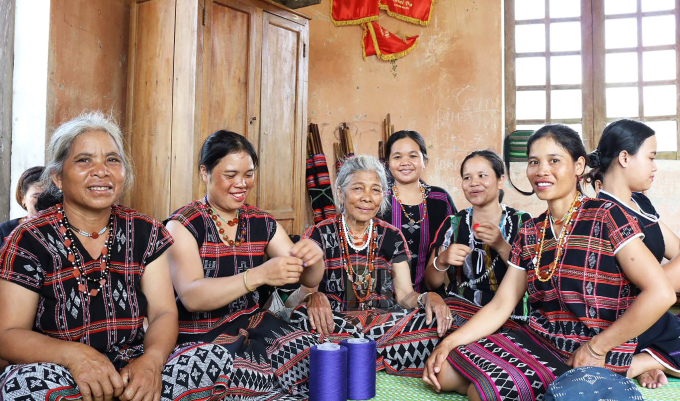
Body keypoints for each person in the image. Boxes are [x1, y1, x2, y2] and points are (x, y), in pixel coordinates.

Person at [422, 124, 677, 401]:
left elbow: (661, 293)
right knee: (443, 372)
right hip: (540, 339)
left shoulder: (605, 216)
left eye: (554, 160)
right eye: (534, 162)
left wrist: (596, 349)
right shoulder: (532, 230)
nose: (541, 170)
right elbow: (501, 304)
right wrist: (450, 341)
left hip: (591, 352)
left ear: (579, 166)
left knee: (484, 393)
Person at [0, 112, 232, 401]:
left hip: (131, 366)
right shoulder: (30, 239)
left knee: (213, 358)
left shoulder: (145, 231)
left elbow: (162, 312)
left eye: (112, 160)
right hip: (60, 369)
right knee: (23, 384)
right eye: (84, 160)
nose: (101, 170)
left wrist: (152, 362)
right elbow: (8, 333)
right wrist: (76, 357)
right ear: (58, 178)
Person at [165, 130, 325, 400]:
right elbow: (191, 296)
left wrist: (314, 258)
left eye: (248, 174)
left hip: (254, 327)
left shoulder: (261, 222)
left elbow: (309, 280)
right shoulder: (184, 224)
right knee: (226, 375)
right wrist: (258, 275)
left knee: (318, 360)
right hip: (204, 337)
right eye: (230, 175)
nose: (241, 183)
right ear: (205, 172)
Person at [290, 155, 453, 377]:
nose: (367, 198)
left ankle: (356, 359)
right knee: (301, 322)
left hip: (383, 323)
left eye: (375, 190)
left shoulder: (392, 235)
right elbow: (295, 298)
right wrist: (311, 296)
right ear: (340, 193)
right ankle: (375, 358)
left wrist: (428, 297)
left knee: (438, 326)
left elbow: (405, 295)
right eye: (358, 188)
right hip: (335, 324)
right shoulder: (318, 234)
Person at [588, 119, 680, 388]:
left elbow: (675, 248)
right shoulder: (603, 210)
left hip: (652, 306)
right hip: (623, 317)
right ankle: (638, 362)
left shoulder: (639, 202)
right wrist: (656, 288)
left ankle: (647, 360)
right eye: (651, 157)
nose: (654, 167)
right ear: (625, 158)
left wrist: (656, 287)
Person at [426, 150, 531, 320]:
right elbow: (431, 283)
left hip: (512, 315)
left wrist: (501, 245)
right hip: (459, 311)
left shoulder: (521, 222)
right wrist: (443, 260)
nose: (474, 183)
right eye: (467, 177)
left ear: (500, 181)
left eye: (482, 175)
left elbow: (532, 282)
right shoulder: (453, 224)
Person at [379, 131, 456, 293]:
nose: (405, 162)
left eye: (413, 156)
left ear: (424, 161)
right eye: (397, 157)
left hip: (430, 296)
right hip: (383, 298)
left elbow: (453, 242)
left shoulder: (440, 199)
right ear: (388, 162)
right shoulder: (378, 198)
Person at [0, 166, 44, 245]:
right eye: (36, 196)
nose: (43, 201)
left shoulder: (65, 231)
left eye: (49, 196)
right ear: (23, 197)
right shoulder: (4, 231)